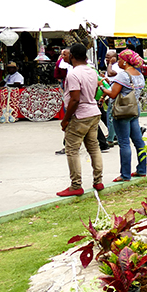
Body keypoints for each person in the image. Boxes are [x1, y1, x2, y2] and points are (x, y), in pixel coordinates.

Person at [55, 44, 104, 196]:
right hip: (93, 112)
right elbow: (94, 92)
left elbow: (75, 99)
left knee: (72, 150)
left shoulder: (73, 74)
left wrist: (65, 119)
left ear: (72, 56)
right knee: (94, 147)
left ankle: (76, 185)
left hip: (80, 115)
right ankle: (98, 181)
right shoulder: (92, 71)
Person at [102, 49, 147, 183]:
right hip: (134, 109)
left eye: (120, 59)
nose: (118, 62)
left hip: (123, 110)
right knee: (138, 141)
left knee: (124, 142)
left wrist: (102, 87)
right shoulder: (139, 74)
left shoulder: (123, 75)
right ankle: (142, 169)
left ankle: (125, 174)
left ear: (125, 62)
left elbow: (113, 94)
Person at [103, 49, 120, 146]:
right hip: (110, 93)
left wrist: (109, 64)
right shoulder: (110, 66)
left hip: (115, 94)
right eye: (106, 57)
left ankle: (111, 138)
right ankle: (113, 135)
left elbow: (111, 74)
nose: (106, 59)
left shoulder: (116, 66)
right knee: (110, 116)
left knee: (111, 117)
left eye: (109, 57)